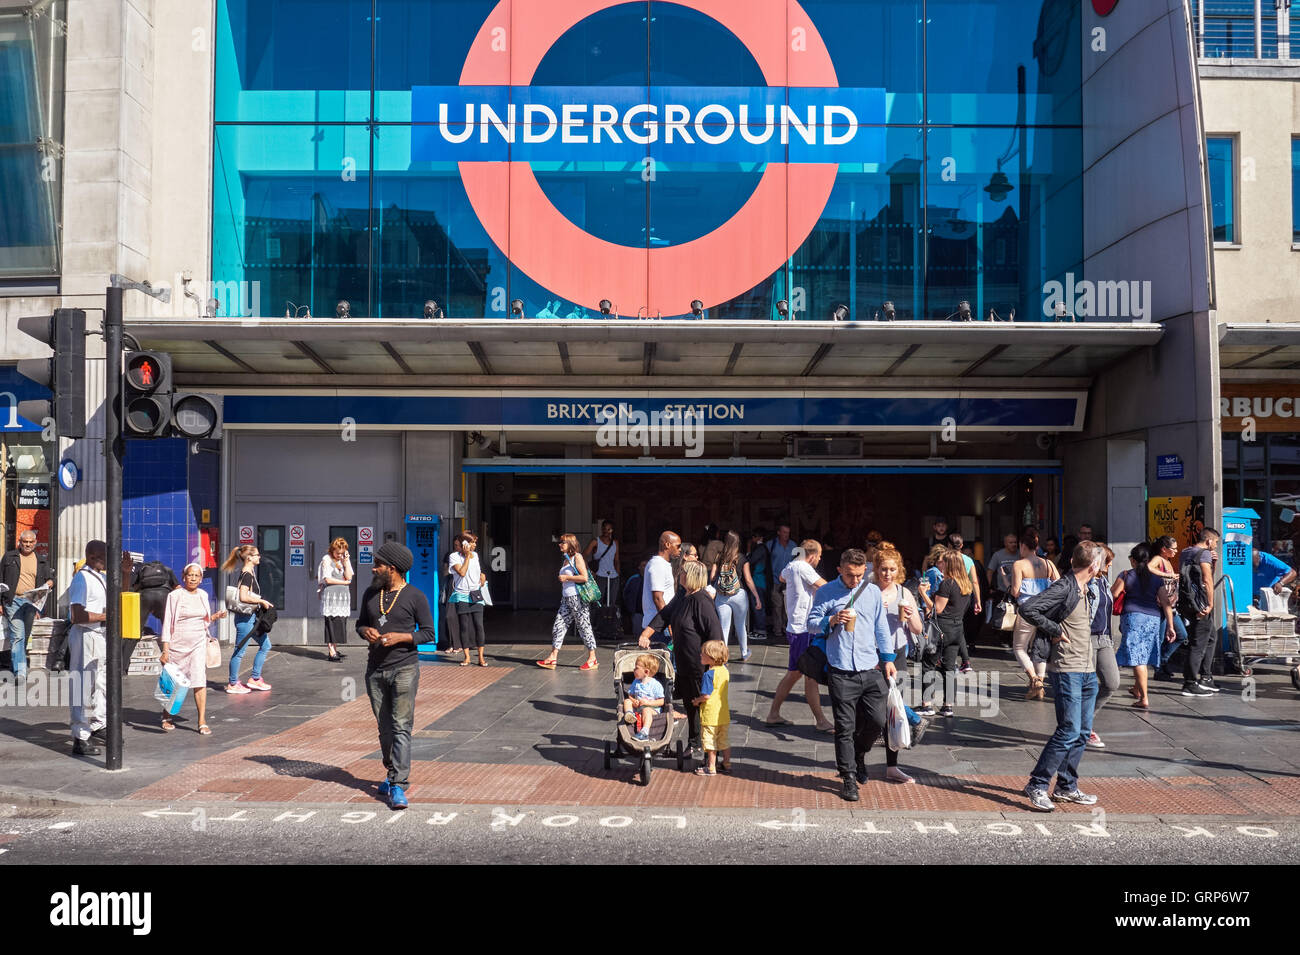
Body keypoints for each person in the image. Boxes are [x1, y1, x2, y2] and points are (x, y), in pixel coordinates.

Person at [1019, 542, 1106, 812]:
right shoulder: (1064, 586)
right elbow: (1028, 608)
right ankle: (1037, 783)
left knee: (1081, 732)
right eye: (1101, 563)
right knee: (1068, 730)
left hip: (1087, 668)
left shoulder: (1087, 588)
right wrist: (1054, 628)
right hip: (1067, 667)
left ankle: (1066, 787)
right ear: (1093, 566)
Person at [806, 548, 896, 803]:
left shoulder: (872, 592)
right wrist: (831, 620)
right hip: (841, 668)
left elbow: (881, 626)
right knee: (844, 728)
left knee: (878, 721)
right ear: (840, 570)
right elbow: (810, 624)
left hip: (869, 667)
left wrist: (888, 659)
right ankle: (848, 777)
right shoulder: (826, 592)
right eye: (849, 576)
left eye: (859, 575)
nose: (855, 580)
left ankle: (858, 753)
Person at [357, 542, 435, 810]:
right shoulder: (371, 593)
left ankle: (398, 784)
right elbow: (359, 624)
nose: (373, 567)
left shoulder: (415, 596)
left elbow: (429, 633)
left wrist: (403, 637)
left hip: (404, 668)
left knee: (401, 726)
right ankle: (392, 773)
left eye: (378, 563)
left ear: (392, 568)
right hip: (375, 669)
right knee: (384, 728)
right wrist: (365, 630)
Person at [639, 560, 721, 758]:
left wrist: (713, 664)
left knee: (699, 704)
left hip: (698, 663)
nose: (679, 574)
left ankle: (704, 747)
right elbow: (665, 615)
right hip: (683, 661)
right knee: (689, 703)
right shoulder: (683, 596)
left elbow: (715, 634)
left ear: (691, 576)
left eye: (683, 572)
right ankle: (694, 743)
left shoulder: (702, 600)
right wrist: (645, 634)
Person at [872, 543, 927, 781]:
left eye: (892, 569)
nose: (888, 574)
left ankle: (892, 766)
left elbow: (918, 629)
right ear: (876, 569)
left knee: (892, 708)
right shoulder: (868, 590)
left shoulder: (904, 593)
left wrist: (907, 617)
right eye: (884, 569)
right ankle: (914, 719)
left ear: (899, 570)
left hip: (898, 653)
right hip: (871, 654)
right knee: (876, 708)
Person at [765, 539, 832, 731]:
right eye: (819, 556)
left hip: (796, 627)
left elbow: (782, 577)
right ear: (812, 556)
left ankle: (774, 714)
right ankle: (820, 721)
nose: (819, 559)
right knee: (808, 674)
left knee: (796, 673)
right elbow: (825, 587)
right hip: (803, 628)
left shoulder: (792, 565)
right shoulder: (804, 567)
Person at [159, 562, 227, 734]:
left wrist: (215, 617)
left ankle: (202, 720)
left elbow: (203, 619)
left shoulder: (203, 595)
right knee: (174, 681)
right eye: (190, 575)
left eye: (197, 575)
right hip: (178, 644)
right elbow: (167, 623)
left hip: (198, 643)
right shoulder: (175, 596)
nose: (193, 578)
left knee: (199, 679)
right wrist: (165, 649)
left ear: (201, 579)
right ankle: (166, 714)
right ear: (184, 577)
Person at [919, 551, 973, 718]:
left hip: (942, 629)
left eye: (943, 562)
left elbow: (937, 609)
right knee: (949, 667)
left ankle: (927, 704)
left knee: (928, 665)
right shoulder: (966, 584)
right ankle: (948, 706)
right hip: (957, 629)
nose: (940, 565)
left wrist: (923, 593)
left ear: (950, 565)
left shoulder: (947, 584)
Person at [68, 540, 108, 757]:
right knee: (83, 685)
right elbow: (76, 615)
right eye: (105, 556)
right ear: (93, 557)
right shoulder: (82, 579)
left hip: (98, 634)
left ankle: (97, 724)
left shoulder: (99, 577)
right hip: (85, 634)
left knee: (100, 682)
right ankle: (80, 736)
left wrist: (126, 572)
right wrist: (104, 616)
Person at [1112, 543, 1164, 710]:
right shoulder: (1157, 578)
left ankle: (1144, 698)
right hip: (1153, 618)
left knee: (1138, 658)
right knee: (1142, 655)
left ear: (1133, 560)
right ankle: (1136, 688)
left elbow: (1114, 593)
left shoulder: (1126, 575)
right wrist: (1170, 625)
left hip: (1133, 618)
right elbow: (1166, 602)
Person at [1010, 526, 1059, 700]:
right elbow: (1059, 585)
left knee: (1019, 648)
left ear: (1023, 546)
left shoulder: (1019, 564)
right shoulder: (1048, 563)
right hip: (1044, 611)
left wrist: (1005, 580)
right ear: (1036, 547)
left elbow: (1015, 592)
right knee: (1040, 648)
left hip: (1027, 610)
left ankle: (1035, 679)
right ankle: (1039, 687)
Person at [537, 533, 598, 670]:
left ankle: (592, 657)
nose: (560, 544)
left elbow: (584, 577)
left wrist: (566, 578)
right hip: (566, 598)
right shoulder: (566, 559)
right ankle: (553, 657)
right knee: (559, 625)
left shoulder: (577, 557)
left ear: (570, 544)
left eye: (563, 542)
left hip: (577, 598)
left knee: (583, 626)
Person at [221, 545, 275, 693]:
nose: (259, 557)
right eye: (257, 555)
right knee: (239, 651)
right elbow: (243, 596)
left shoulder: (249, 572)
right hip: (245, 620)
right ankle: (233, 683)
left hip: (250, 618)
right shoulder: (247, 575)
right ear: (249, 557)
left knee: (266, 645)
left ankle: (255, 679)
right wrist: (261, 601)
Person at [1, 530, 53, 681]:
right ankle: (20, 672)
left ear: (35, 543)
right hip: (13, 601)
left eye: (31, 542)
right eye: (25, 542)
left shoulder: (41, 560)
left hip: (31, 603)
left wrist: (50, 583)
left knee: (25, 635)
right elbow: (0, 579)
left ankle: (18, 664)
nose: (28, 544)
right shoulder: (9, 557)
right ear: (20, 542)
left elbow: (50, 579)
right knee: (17, 636)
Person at [1178, 527, 1221, 696]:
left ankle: (1206, 677)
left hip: (1188, 601)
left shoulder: (1186, 552)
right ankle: (1190, 682)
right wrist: (1210, 604)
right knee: (1198, 643)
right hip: (1201, 603)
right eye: (1216, 542)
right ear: (1209, 541)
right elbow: (1207, 580)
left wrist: (1214, 562)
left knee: (1211, 637)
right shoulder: (1204, 554)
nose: (1216, 546)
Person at [711, 530, 761, 662]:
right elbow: (748, 579)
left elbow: (712, 577)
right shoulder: (742, 558)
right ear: (738, 543)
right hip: (739, 594)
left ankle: (723, 657)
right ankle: (744, 652)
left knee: (724, 626)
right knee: (740, 625)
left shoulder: (719, 557)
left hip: (722, 595)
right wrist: (756, 596)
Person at [1087, 545, 1119, 748]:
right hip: (1087, 638)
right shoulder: (1086, 582)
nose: (1111, 564)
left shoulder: (1104, 581)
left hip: (1105, 638)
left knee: (1112, 683)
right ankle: (1084, 728)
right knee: (1087, 687)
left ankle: (1084, 721)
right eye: (1108, 560)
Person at [1148, 535, 1188, 679]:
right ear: (1164, 549)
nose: (1176, 551)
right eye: (1173, 548)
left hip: (1171, 607)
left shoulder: (1168, 561)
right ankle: (1158, 668)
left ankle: (1163, 661)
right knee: (1159, 639)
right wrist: (1167, 575)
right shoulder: (1158, 559)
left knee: (1182, 635)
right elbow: (1149, 567)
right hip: (1160, 607)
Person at [693, 639, 731, 776]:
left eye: (704, 654)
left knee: (710, 741)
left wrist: (697, 701)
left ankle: (711, 767)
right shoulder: (725, 671)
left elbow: (706, 696)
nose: (700, 655)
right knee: (724, 740)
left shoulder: (709, 674)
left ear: (712, 658)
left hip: (710, 713)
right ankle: (726, 763)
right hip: (723, 713)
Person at [449, 532, 487, 667]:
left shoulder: (475, 556)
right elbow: (462, 572)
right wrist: (466, 557)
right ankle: (466, 657)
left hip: (475, 593)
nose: (475, 545)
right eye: (472, 542)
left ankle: (481, 657)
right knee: (464, 626)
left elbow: (477, 571)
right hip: (462, 594)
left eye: (475, 542)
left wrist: (482, 577)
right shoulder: (454, 557)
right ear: (465, 544)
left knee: (479, 625)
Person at [947, 532, 981, 672]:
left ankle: (952, 659)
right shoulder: (968, 560)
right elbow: (974, 581)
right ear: (961, 545)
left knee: (949, 626)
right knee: (959, 625)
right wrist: (978, 600)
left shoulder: (946, 558)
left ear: (948, 545)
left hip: (949, 593)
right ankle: (965, 661)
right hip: (965, 595)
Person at [318, 537, 353, 662]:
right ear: (332, 550)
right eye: (337, 553)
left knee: (339, 622)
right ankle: (331, 651)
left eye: (342, 553)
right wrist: (344, 583)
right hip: (331, 596)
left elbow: (349, 576)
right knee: (331, 622)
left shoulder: (343, 560)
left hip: (342, 597)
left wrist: (346, 561)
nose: (339, 555)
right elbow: (327, 579)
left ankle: (335, 648)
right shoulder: (326, 559)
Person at [584, 520, 621, 640]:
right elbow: (584, 555)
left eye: (609, 529)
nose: (606, 531)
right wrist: (590, 571)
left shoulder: (615, 542)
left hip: (613, 576)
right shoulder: (596, 541)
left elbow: (616, 559)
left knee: (612, 603)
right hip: (600, 575)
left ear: (612, 530)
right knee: (597, 602)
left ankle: (610, 628)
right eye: (604, 528)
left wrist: (618, 572)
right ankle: (595, 627)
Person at [641, 531, 681, 639]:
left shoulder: (664, 564)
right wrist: (669, 625)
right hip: (658, 628)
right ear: (667, 545)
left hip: (661, 626)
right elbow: (658, 598)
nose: (680, 549)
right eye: (678, 546)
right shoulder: (657, 565)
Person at [623, 653, 665, 741]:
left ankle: (644, 732)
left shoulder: (655, 685)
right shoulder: (636, 681)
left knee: (646, 710)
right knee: (627, 701)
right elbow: (630, 694)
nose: (634, 670)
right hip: (638, 707)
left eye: (636, 668)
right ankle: (629, 714)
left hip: (652, 709)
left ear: (646, 672)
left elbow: (662, 701)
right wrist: (633, 700)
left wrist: (648, 703)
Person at [767, 522, 798, 642]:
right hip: (775, 580)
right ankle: (777, 630)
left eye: (788, 533)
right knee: (777, 605)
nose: (786, 535)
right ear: (779, 532)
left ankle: (787, 628)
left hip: (789, 581)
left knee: (788, 606)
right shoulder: (771, 545)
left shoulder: (793, 545)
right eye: (784, 532)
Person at [131, 557, 178, 635]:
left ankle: (131, 644)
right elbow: (177, 587)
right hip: (164, 596)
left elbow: (134, 587)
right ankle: (169, 642)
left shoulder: (141, 570)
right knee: (167, 623)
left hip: (145, 597)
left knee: (137, 627)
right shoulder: (167, 569)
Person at [746, 529, 773, 639]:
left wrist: (748, 550)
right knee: (757, 605)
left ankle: (761, 631)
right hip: (759, 581)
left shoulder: (760, 549)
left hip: (758, 581)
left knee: (758, 605)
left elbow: (749, 560)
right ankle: (757, 630)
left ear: (757, 537)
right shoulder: (763, 549)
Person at [441, 533, 463, 655]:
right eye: (455, 545)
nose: (457, 548)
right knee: (449, 616)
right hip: (452, 584)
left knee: (463, 615)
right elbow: (445, 572)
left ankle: (460, 644)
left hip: (464, 585)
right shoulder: (450, 555)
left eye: (459, 546)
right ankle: (451, 643)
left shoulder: (469, 556)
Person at [623, 559, 646, 636]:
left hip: (649, 612)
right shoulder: (633, 579)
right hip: (637, 612)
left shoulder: (652, 579)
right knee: (637, 634)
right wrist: (629, 606)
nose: (645, 567)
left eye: (646, 565)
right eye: (643, 565)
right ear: (639, 567)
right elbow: (625, 593)